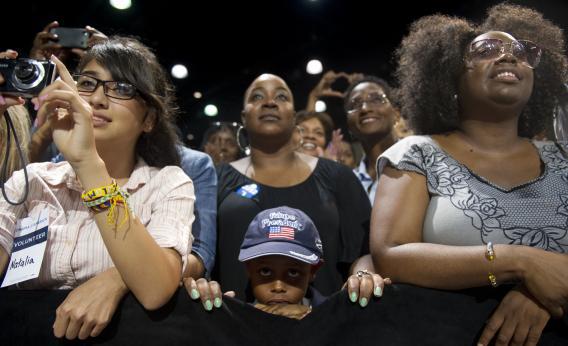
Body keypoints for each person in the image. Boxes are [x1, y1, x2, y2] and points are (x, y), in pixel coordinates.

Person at [371, 3, 568, 346]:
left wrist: (544, 296)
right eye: (486, 50)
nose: (509, 57)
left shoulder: (564, 157)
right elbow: (391, 254)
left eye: (521, 52)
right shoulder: (417, 152)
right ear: (450, 79)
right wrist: (520, 262)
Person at [0, 36, 195, 340]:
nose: (98, 99)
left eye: (122, 88)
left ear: (149, 119)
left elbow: (155, 288)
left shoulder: (167, 184)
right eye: (88, 84)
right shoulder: (31, 180)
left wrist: (86, 163)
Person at [213, 73, 373, 305]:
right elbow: (201, 255)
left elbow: (364, 250)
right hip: (236, 329)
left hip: (324, 330)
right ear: (243, 117)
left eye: (281, 96)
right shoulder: (217, 179)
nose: (270, 102)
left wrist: (363, 276)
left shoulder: (338, 177)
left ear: (294, 116)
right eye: (257, 96)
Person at [185, 206, 389, 315]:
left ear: (313, 270)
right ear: (249, 268)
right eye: (265, 271)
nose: (278, 286)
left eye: (293, 272)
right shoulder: (229, 316)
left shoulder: (339, 315)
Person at [344, 76, 404, 205]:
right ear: (349, 125)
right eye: (355, 104)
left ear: (396, 115)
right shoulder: (347, 183)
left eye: (376, 99)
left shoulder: (420, 162)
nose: (365, 108)